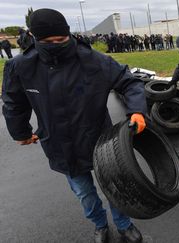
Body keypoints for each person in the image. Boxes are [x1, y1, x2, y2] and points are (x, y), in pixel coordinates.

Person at [1, 9, 146, 243]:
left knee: (115, 188)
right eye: (48, 42)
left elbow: (129, 82)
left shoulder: (93, 61)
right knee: (84, 193)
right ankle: (99, 225)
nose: (56, 45)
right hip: (60, 145)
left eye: (61, 40)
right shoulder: (21, 67)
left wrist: (137, 110)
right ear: (35, 39)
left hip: (101, 142)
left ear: (69, 34)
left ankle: (123, 224)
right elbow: (13, 103)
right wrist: (20, 132)